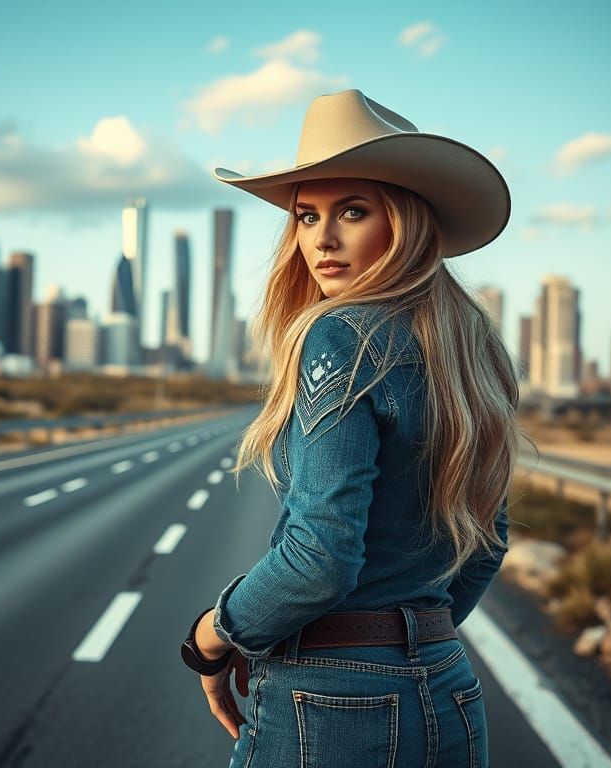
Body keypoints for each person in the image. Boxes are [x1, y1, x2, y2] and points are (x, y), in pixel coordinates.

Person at [177, 89, 521, 767]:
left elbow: (320, 561)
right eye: (307, 216)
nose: (322, 240)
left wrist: (210, 637)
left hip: (327, 704)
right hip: (450, 690)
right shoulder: (474, 345)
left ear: (404, 222)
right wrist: (410, 642)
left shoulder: (338, 336)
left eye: (353, 212)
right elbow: (489, 536)